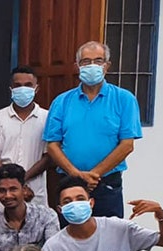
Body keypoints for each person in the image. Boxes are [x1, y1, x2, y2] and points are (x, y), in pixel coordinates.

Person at [43, 41, 142, 219]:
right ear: (77, 66)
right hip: (70, 183)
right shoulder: (61, 101)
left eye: (98, 61)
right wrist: (76, 175)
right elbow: (52, 145)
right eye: (86, 62)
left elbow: (127, 145)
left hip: (106, 183)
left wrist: (95, 174)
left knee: (110, 237)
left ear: (107, 66)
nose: (92, 66)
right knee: (71, 237)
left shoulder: (124, 99)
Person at [0, 65, 51, 212]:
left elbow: (49, 156)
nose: (22, 89)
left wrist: (22, 180)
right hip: (2, 198)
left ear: (36, 89)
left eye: (28, 85)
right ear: (11, 88)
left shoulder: (48, 119)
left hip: (34, 194)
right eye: (18, 85)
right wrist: (10, 181)